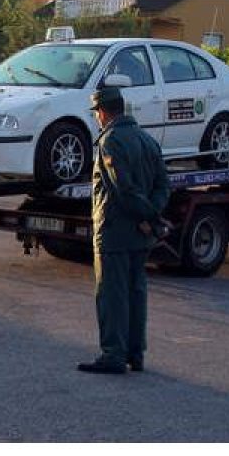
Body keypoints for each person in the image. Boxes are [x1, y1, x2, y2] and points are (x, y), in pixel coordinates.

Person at [78, 85, 170, 374]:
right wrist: (152, 217)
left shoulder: (110, 142)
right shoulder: (147, 140)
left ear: (103, 113)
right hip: (139, 234)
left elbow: (123, 189)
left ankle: (114, 354)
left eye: (96, 114)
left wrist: (147, 215)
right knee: (136, 291)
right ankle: (135, 352)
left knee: (112, 294)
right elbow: (162, 186)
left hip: (114, 230)